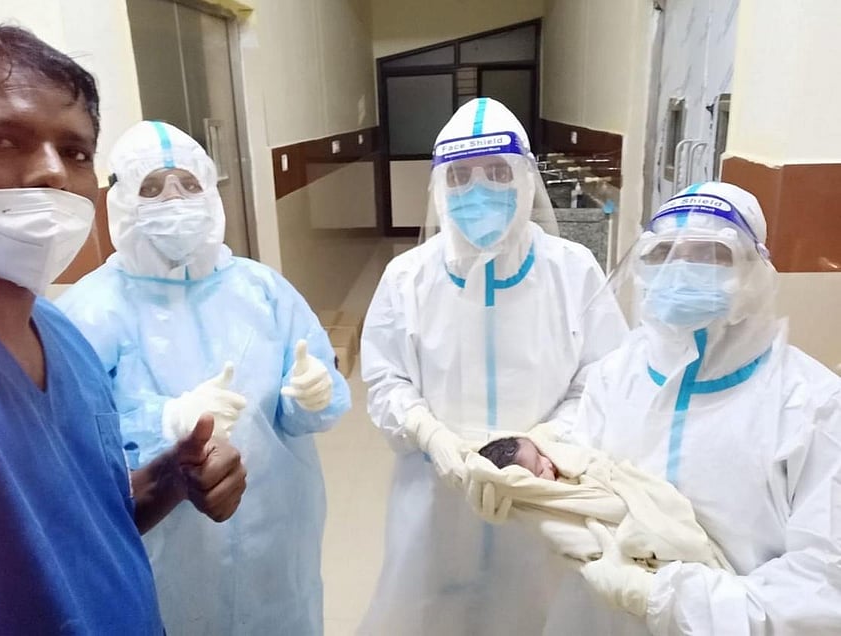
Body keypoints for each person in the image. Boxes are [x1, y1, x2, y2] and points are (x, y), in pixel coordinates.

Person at [0, 26, 245, 634]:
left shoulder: (61, 334)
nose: (52, 173)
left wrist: (169, 480)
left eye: (77, 152)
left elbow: (84, 518)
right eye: (0, 138)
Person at [56, 120, 352, 635]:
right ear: (122, 202)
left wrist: (311, 395)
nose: (174, 201)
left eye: (189, 185)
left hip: (275, 524)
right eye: (151, 188)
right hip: (164, 537)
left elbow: (306, 404)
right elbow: (69, 443)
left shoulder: (263, 290)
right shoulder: (88, 310)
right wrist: (165, 422)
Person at [357, 97, 628, 635]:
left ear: (527, 180)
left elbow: (605, 377)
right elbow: (386, 378)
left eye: (498, 172)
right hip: (436, 489)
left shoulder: (571, 271)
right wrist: (430, 434)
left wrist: (547, 442)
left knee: (539, 608)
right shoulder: (407, 277)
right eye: (459, 176)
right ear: (438, 188)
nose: (477, 189)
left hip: (545, 489)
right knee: (433, 609)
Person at [538, 182, 841, 634]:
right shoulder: (613, 377)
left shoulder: (812, 405)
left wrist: (672, 599)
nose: (681, 271)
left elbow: (822, 582)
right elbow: (583, 489)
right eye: (664, 255)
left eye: (709, 254)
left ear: (755, 268)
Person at [470, 434, 730, 571]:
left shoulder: (565, 465)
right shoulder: (546, 509)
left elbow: (595, 466)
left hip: (631, 491)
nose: (549, 462)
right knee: (637, 538)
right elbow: (579, 536)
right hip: (622, 525)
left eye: (542, 456)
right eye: (540, 470)